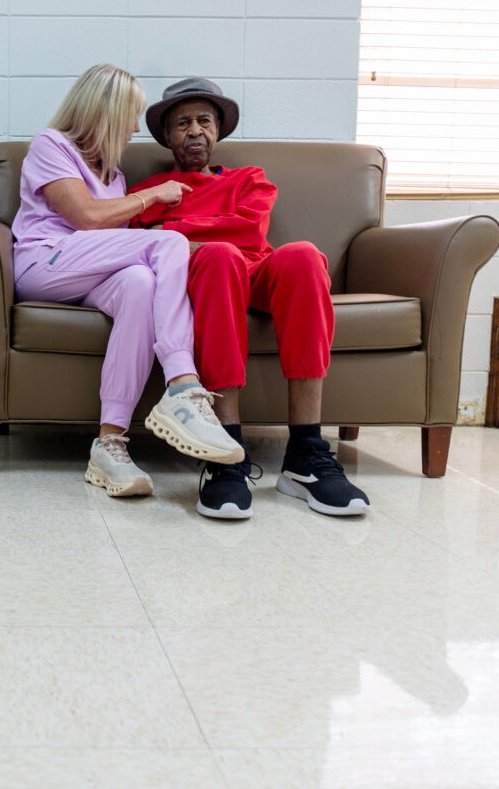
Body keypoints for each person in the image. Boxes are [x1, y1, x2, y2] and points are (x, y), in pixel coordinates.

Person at [130, 77, 370, 519]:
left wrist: (173, 232)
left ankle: (306, 453)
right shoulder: (151, 191)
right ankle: (226, 455)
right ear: (166, 135)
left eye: (204, 121)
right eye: (183, 123)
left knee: (303, 255)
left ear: (218, 131)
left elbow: (250, 230)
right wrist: (200, 240)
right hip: (206, 278)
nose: (195, 131)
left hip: (256, 270)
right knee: (220, 256)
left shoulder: (249, 179)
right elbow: (138, 245)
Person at [12, 64, 243, 497]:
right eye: (132, 116)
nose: (135, 128)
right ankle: (183, 384)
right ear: (107, 111)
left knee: (140, 283)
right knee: (169, 242)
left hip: (87, 273)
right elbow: (85, 217)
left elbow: (114, 245)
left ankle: (110, 444)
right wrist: (153, 194)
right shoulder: (51, 145)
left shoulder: (114, 176)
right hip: (44, 262)